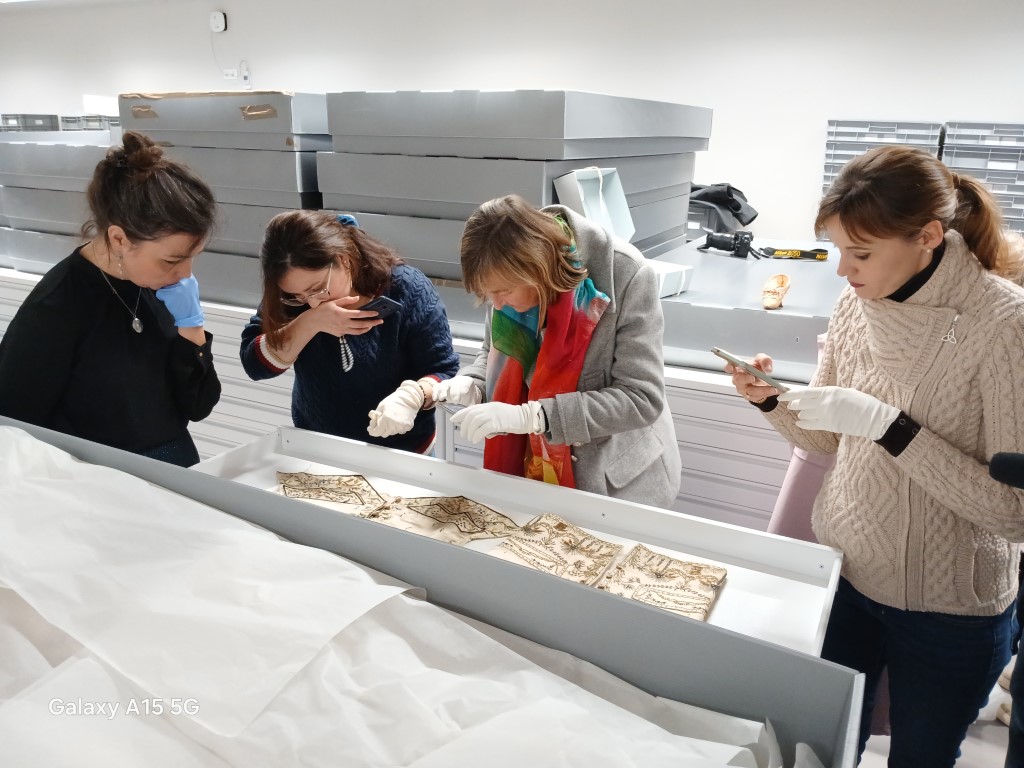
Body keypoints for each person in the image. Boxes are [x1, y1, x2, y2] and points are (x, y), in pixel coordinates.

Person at [725, 145, 1024, 767]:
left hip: (951, 610)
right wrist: (774, 404)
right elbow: (830, 441)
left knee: (919, 757)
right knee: (825, 746)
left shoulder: (1004, 325)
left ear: (928, 236)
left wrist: (891, 427)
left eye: (860, 253)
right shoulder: (855, 304)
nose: (842, 270)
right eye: (838, 249)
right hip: (850, 577)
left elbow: (1014, 512)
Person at [435, 194, 681, 508]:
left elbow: (641, 399)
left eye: (503, 292)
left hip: (613, 484)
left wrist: (536, 417)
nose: (496, 305)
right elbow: (493, 354)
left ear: (536, 271)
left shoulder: (627, 274)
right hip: (531, 468)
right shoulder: (502, 271)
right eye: (487, 294)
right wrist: (474, 384)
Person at [0, 131, 221, 467]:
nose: (185, 274)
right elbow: (14, 428)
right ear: (119, 238)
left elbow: (198, 406)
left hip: (174, 466)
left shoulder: (161, 287)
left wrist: (192, 329)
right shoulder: (56, 307)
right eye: (172, 261)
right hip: (97, 480)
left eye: (194, 257)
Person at [240, 210, 459, 453]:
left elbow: (444, 370)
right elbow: (254, 365)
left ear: (344, 260)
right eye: (298, 296)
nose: (312, 302)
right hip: (318, 447)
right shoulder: (295, 298)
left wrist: (414, 395)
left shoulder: (406, 288)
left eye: (317, 289)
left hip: (405, 452)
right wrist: (310, 323)